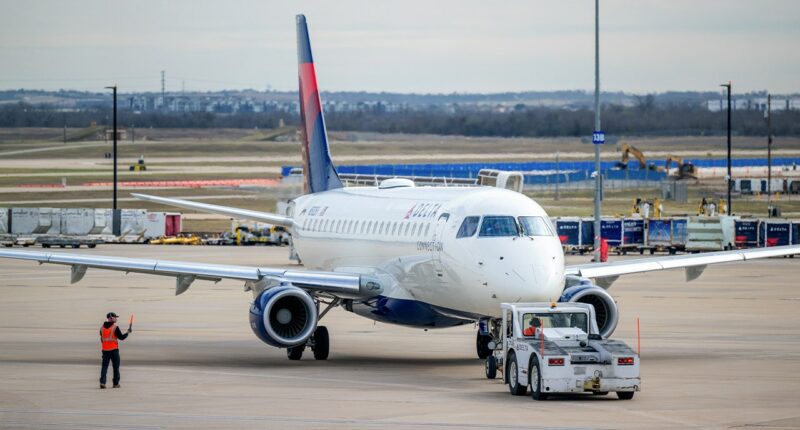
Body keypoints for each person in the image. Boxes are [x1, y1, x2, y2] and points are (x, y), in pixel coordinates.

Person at [99, 312, 131, 389]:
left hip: (105, 350)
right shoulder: (115, 328)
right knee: (116, 367)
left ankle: (102, 382)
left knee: (104, 367)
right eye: (115, 317)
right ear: (111, 318)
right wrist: (128, 332)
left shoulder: (101, 328)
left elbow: (102, 339)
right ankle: (115, 384)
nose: (116, 319)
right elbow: (122, 337)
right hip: (114, 351)